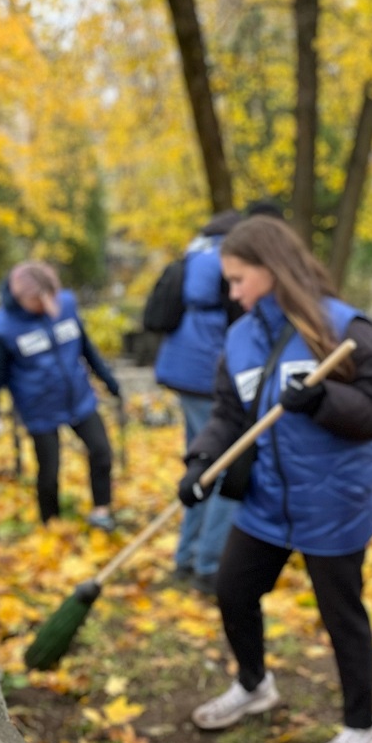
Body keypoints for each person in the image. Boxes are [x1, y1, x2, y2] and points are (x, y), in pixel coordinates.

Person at [178, 216, 372, 743]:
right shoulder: (241, 337)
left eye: (237, 279)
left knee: (340, 612)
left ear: (271, 269)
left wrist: (325, 402)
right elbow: (230, 414)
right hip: (267, 499)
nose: (232, 293)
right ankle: (255, 685)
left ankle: (360, 725)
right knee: (232, 589)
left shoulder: (343, 327)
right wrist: (201, 460)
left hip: (332, 500)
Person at [0, 261, 121, 531]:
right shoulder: (2, 327)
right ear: (20, 298)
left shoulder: (65, 305)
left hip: (78, 397)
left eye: (51, 297)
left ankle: (102, 511)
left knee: (101, 451)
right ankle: (51, 524)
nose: (48, 306)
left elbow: (85, 347)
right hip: (39, 407)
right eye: (38, 301)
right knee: (49, 470)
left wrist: (109, 380)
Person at [152, 210, 245, 592]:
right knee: (222, 467)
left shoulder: (195, 252)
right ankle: (208, 564)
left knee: (199, 462)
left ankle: (186, 558)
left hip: (180, 369)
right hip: (208, 374)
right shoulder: (232, 259)